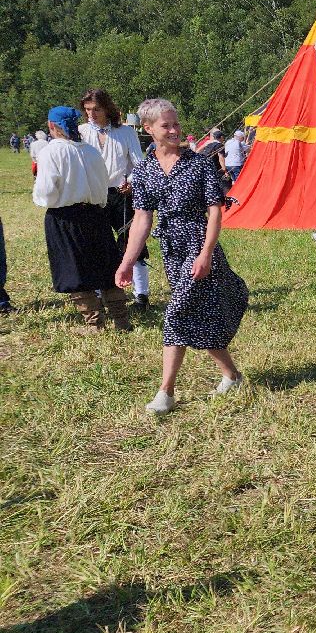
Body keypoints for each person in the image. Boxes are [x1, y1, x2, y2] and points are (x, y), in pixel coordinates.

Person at [118, 98, 249, 413]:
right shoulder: (145, 170)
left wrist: (205, 253)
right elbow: (142, 220)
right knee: (199, 316)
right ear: (148, 129)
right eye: (167, 125)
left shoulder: (200, 162)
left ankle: (166, 392)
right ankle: (232, 375)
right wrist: (126, 262)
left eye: (176, 123)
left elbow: (215, 213)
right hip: (171, 251)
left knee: (175, 314)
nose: (175, 130)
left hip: (200, 246)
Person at [32, 107, 131, 331]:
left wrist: (41, 197)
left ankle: (94, 323)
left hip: (65, 217)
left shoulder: (50, 152)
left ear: (51, 125)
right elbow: (103, 186)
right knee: (106, 266)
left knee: (74, 268)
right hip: (96, 214)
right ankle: (121, 319)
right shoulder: (92, 151)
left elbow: (46, 192)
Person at [79, 88, 151, 308]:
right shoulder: (80, 132)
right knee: (97, 244)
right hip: (93, 196)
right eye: (88, 109)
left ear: (107, 108)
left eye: (96, 109)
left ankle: (141, 294)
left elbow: (140, 164)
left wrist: (131, 181)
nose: (92, 113)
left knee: (132, 244)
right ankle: (101, 292)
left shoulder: (126, 133)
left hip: (121, 194)